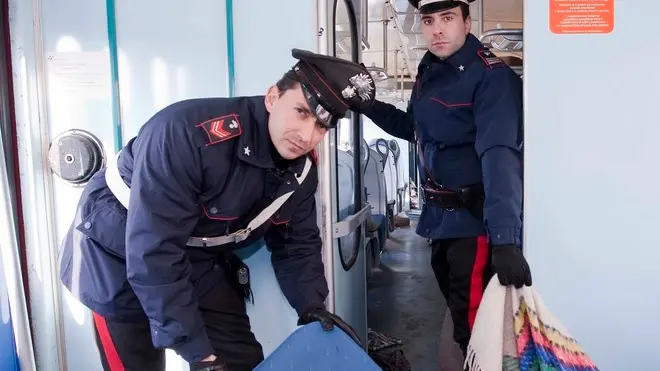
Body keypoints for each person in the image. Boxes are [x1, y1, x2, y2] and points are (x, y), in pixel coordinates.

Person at [58, 48, 376, 371]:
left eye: (322, 127)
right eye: (301, 112)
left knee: (242, 360)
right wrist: (199, 355)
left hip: (193, 254)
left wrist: (311, 305)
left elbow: (296, 245)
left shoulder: (301, 172)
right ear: (272, 97)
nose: (307, 135)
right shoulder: (187, 137)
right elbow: (154, 252)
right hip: (116, 251)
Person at [361, 0, 532, 358]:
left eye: (448, 18)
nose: (437, 29)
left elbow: (499, 156)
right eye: (429, 20)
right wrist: (369, 105)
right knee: (459, 316)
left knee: (475, 330)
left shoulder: (491, 77)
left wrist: (504, 240)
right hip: (440, 223)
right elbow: (415, 129)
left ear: (467, 23)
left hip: (474, 225)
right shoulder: (429, 71)